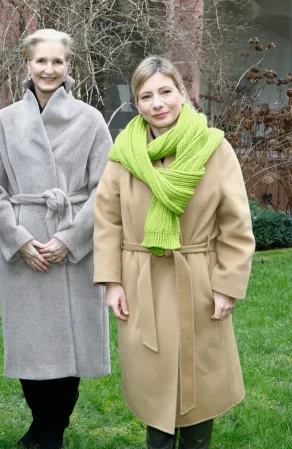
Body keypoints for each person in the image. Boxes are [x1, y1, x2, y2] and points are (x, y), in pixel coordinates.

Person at [94, 56, 255, 449]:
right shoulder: (124, 153)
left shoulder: (215, 149)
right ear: (136, 103)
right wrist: (112, 281)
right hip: (139, 283)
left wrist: (227, 285)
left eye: (165, 91)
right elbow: (107, 221)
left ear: (183, 93)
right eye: (145, 96)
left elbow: (236, 227)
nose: (157, 103)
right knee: (153, 384)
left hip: (198, 279)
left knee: (200, 382)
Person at [0, 29, 113, 449]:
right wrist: (20, 240)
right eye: (41, 61)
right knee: (31, 344)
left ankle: (50, 432)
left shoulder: (91, 120)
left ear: (68, 66)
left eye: (57, 61)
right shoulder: (4, 121)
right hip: (25, 250)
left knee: (71, 346)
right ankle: (42, 426)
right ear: (27, 63)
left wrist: (71, 239)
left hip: (74, 246)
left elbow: (107, 189)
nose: (49, 69)